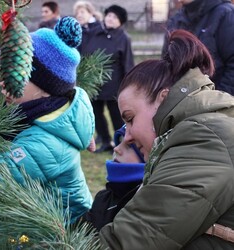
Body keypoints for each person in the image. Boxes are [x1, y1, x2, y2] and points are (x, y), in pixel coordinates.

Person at [99, 29, 234, 249]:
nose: (128, 135)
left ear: (163, 98)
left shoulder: (204, 136)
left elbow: (135, 237)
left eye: (131, 119)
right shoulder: (209, 126)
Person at [0, 16, 94, 224]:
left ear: (44, 90)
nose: (3, 81)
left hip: (62, 235)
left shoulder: (48, 142)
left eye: (16, 74)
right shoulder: (32, 115)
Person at [80, 4, 134, 153]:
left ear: (120, 22)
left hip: (114, 84)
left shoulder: (123, 38)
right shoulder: (95, 32)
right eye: (109, 15)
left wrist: (127, 86)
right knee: (96, 115)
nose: (110, 19)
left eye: (114, 17)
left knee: (116, 116)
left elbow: (127, 63)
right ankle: (105, 141)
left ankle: (121, 143)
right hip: (93, 83)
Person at [162, 0, 234, 95]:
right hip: (182, 102)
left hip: (216, 101)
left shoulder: (226, 14)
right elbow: (165, 64)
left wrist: (218, 99)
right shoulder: (176, 20)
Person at [84, 124, 145, 231]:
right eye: (119, 142)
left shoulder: (145, 207)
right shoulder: (103, 198)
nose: (116, 149)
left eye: (129, 146)